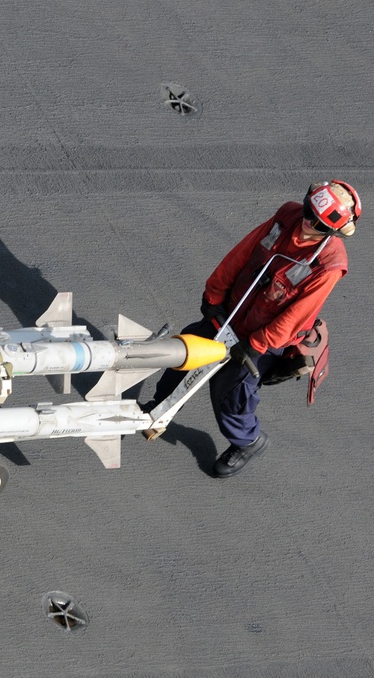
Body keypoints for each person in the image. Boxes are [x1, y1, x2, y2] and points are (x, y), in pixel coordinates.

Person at [146, 180, 360, 478]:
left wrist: (257, 344)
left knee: (230, 392)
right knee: (185, 351)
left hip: (264, 337)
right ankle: (157, 409)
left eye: (320, 225)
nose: (308, 225)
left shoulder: (330, 264)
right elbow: (244, 251)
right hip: (232, 311)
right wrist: (214, 295)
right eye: (309, 212)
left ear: (334, 231)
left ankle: (248, 441)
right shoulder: (287, 215)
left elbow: (298, 315)